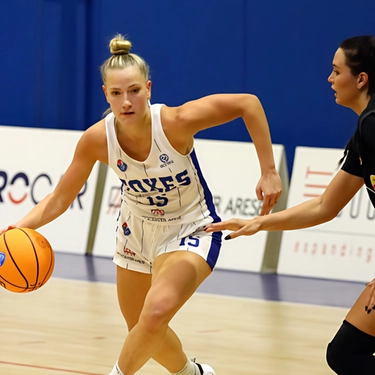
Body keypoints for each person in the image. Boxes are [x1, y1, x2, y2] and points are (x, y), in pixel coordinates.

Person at [0, 34, 282, 375]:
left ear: (148, 88)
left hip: (189, 227)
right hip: (134, 232)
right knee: (142, 326)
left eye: (134, 90)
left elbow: (247, 104)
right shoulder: (96, 140)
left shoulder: (176, 122)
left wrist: (268, 170)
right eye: (117, 93)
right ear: (106, 94)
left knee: (155, 313)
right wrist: (21, 227)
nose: (127, 102)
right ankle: (192, 373)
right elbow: (60, 197)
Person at [205, 35, 375, 374]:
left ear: (361, 79)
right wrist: (258, 224)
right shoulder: (364, 132)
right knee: (345, 353)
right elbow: (325, 205)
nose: (329, 79)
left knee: (347, 354)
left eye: (335, 70)